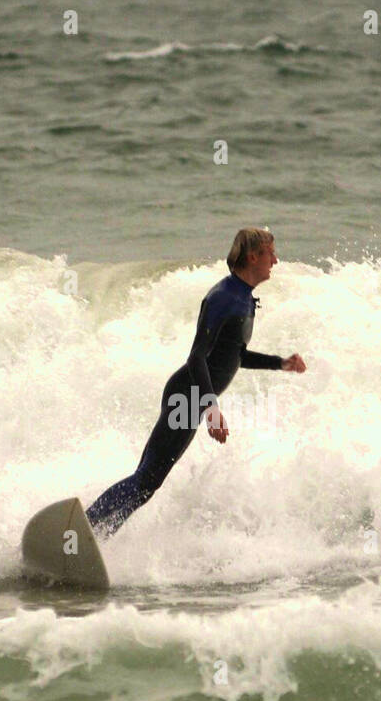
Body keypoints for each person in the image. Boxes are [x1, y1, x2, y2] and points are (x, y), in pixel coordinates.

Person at [86, 228, 306, 537]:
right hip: (186, 396)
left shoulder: (242, 298)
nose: (276, 260)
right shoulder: (224, 298)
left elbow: (235, 356)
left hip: (194, 398)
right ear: (253, 256)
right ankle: (82, 525)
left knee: (148, 482)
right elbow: (197, 358)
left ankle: (95, 537)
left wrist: (281, 363)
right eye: (271, 253)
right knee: (147, 477)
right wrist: (211, 407)